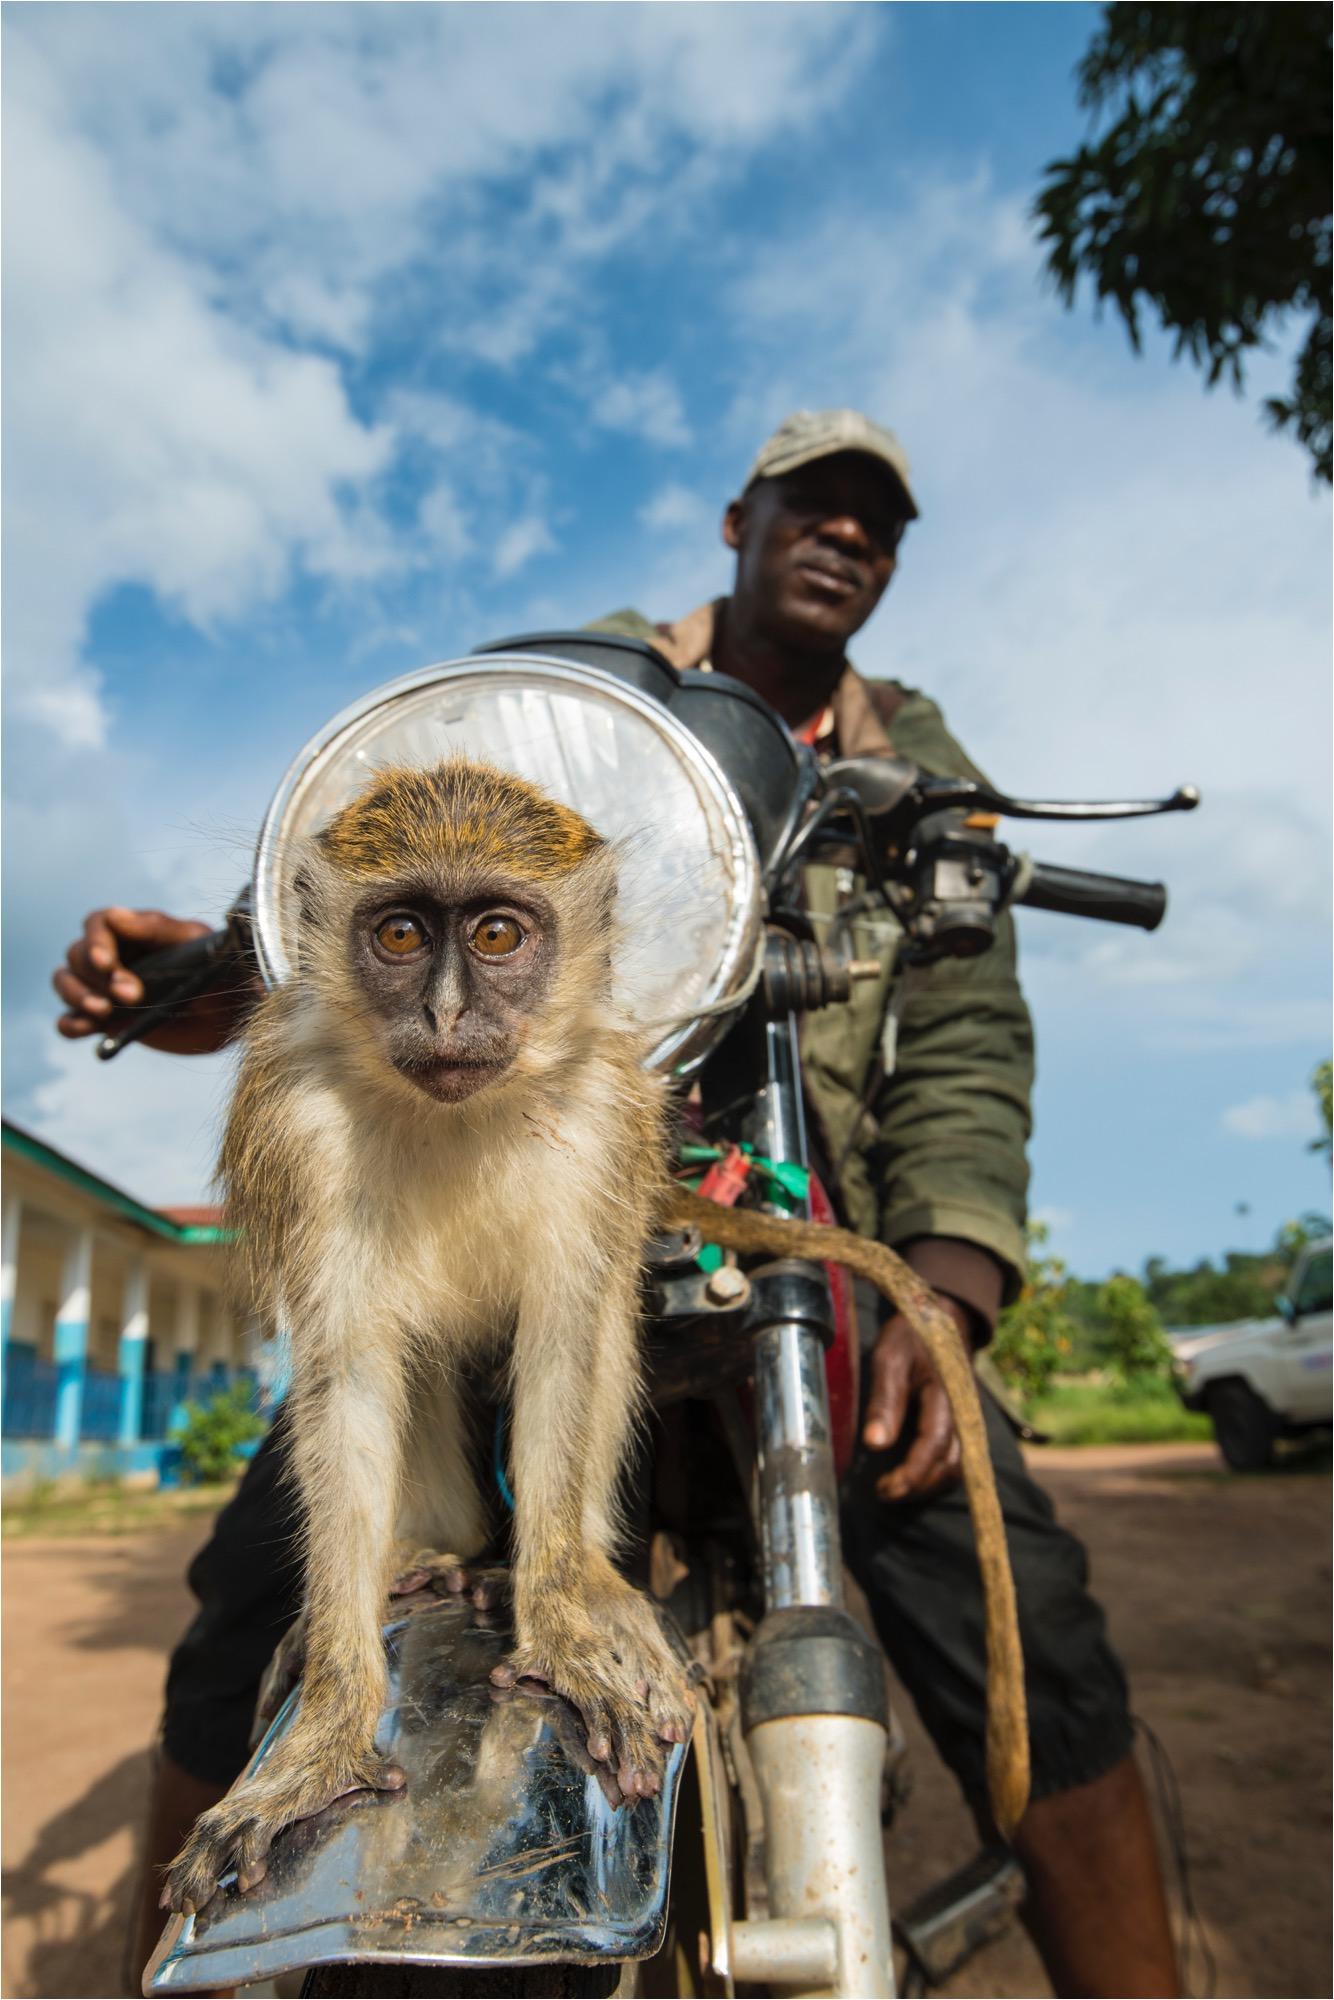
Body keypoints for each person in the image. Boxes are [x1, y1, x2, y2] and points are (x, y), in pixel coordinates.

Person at [56, 409, 1180, 1998]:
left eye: (877, 523)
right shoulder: (580, 685)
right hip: (477, 1159)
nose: (842, 537)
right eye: (814, 505)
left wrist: (949, 1290)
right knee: (252, 1594)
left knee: (1019, 1615)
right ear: (744, 518)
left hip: (782, 1178)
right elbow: (412, 837)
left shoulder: (925, 756)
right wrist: (233, 963)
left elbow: (970, 1047)